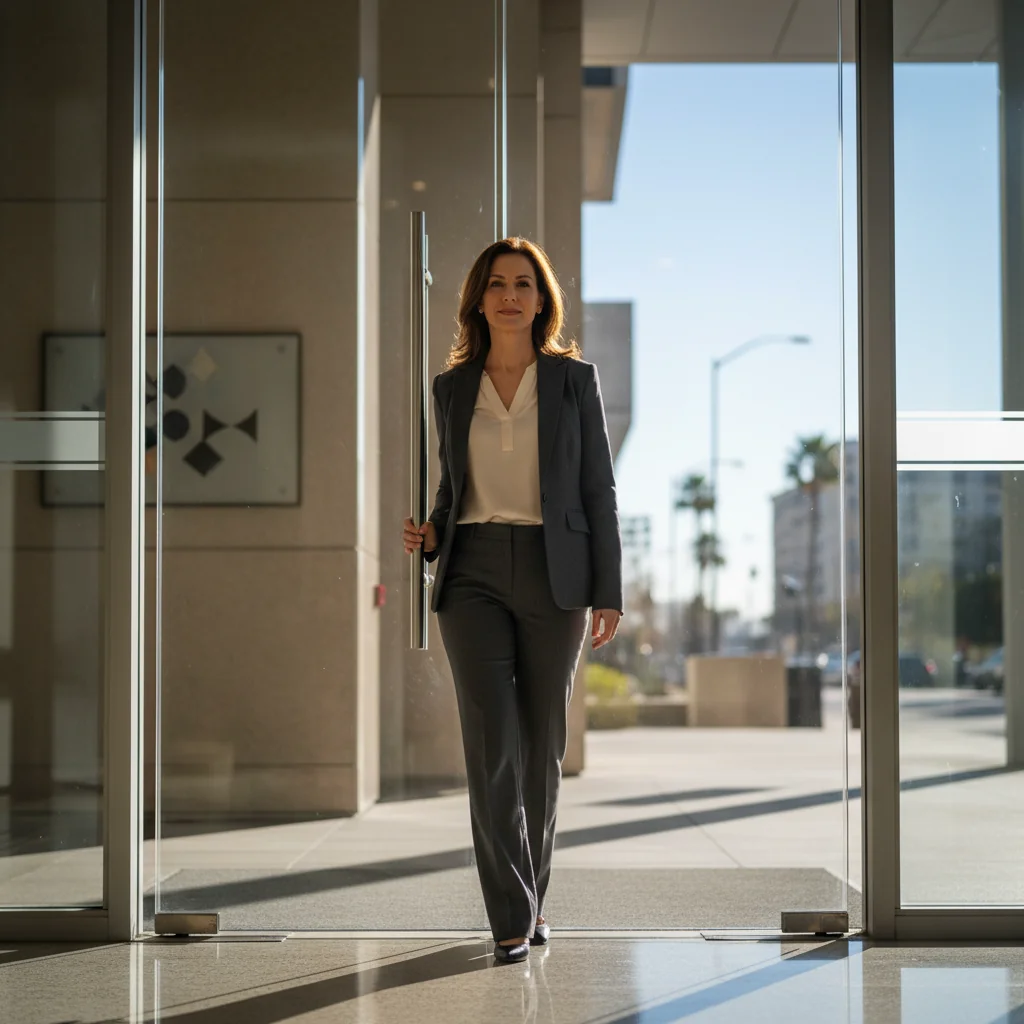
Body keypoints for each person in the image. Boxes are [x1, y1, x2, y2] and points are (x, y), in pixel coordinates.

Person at [402, 237, 623, 964]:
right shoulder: (451, 387)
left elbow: (598, 488)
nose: (509, 295)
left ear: (540, 299)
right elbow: (451, 488)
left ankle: (532, 897)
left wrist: (608, 589)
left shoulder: (573, 381)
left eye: (524, 284)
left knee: (541, 748)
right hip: (471, 572)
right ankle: (510, 914)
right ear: (479, 298)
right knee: (491, 744)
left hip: (556, 572)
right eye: (497, 283)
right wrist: (432, 532)